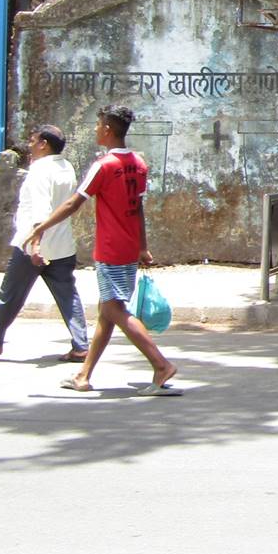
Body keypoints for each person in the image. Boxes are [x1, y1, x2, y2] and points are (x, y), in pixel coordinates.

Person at [28, 105, 180, 395]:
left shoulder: (104, 165)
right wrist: (142, 246)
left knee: (113, 309)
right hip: (128, 247)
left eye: (98, 125)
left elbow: (73, 203)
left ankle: (161, 365)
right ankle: (83, 375)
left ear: (108, 129)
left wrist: (41, 228)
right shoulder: (138, 163)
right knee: (106, 311)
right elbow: (138, 208)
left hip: (110, 248)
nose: (96, 129)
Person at [0, 125, 89, 362]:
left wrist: (36, 245)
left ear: (44, 144)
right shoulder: (66, 167)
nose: (30, 145)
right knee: (68, 295)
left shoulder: (40, 170)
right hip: (62, 245)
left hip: (32, 245)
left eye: (33, 141)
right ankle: (81, 345)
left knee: (10, 296)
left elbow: (41, 209)